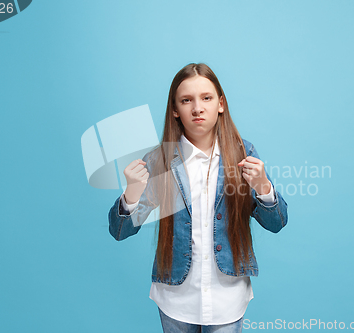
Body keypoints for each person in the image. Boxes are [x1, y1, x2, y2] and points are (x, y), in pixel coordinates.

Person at [108, 63, 288, 333]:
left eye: (206, 98)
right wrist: (132, 192)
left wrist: (263, 186)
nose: (197, 108)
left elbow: (276, 223)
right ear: (174, 110)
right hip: (176, 298)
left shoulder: (243, 152)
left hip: (227, 296)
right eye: (186, 100)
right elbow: (119, 231)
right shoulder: (159, 160)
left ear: (221, 104)